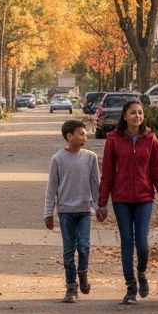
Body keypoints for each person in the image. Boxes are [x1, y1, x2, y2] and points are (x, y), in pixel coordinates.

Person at [97, 99, 158, 305]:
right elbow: (108, 174)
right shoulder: (113, 139)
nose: (137, 116)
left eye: (140, 113)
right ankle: (130, 287)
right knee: (126, 243)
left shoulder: (150, 139)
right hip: (121, 198)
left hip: (144, 198)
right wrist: (102, 202)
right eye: (133, 113)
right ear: (125, 116)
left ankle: (141, 272)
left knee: (142, 242)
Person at [44, 118, 100, 303]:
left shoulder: (90, 157)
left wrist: (99, 207)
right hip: (65, 211)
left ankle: (82, 274)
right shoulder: (58, 159)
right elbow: (52, 187)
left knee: (83, 247)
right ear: (69, 136)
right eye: (81, 133)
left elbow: (95, 184)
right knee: (68, 252)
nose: (85, 136)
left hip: (84, 210)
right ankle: (71, 288)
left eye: (85, 133)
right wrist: (48, 213)